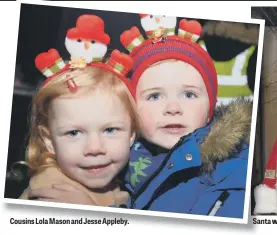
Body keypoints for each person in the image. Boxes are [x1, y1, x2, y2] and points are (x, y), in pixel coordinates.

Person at [28, 14, 252, 218]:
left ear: (210, 105)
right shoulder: (120, 159)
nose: (173, 108)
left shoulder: (234, 171)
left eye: (189, 94)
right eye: (154, 96)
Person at [18, 14, 138, 207]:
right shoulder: (51, 194)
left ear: (132, 133)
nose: (94, 148)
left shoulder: (118, 183)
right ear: (48, 140)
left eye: (110, 130)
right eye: (74, 132)